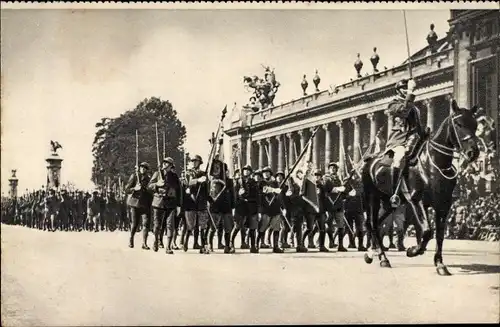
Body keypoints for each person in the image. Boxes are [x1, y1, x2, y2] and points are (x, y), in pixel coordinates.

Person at [384, 78, 425, 206]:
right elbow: (404, 111)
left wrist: (425, 136)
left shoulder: (414, 107)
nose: (406, 90)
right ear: (398, 90)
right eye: (404, 88)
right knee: (400, 157)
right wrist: (411, 91)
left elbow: (417, 126)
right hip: (399, 141)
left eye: (407, 88)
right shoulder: (393, 104)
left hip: (414, 139)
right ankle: (394, 192)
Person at [148, 157, 182, 254]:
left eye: (167, 163)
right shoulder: (157, 174)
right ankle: (156, 240)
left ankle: (168, 247)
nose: (165, 165)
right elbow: (149, 186)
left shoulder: (174, 176)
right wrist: (157, 184)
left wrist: (179, 205)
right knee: (157, 225)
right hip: (158, 202)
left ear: (171, 166)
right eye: (164, 163)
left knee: (170, 225)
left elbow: (179, 191)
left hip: (171, 203)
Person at [184, 155, 211, 254]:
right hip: (191, 202)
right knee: (190, 225)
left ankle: (203, 246)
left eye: (196, 161)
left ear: (200, 163)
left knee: (203, 226)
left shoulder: (203, 174)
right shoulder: (188, 173)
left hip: (201, 203)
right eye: (193, 161)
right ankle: (186, 242)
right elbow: (188, 183)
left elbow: (206, 189)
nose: (194, 163)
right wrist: (198, 180)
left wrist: (210, 200)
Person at [125, 162, 152, 249]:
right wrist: (134, 188)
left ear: (147, 170)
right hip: (135, 204)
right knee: (135, 224)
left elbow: (151, 191)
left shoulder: (149, 179)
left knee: (146, 224)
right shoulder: (135, 177)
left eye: (145, 168)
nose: (142, 169)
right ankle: (131, 239)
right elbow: (127, 189)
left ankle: (144, 243)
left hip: (146, 204)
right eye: (141, 167)